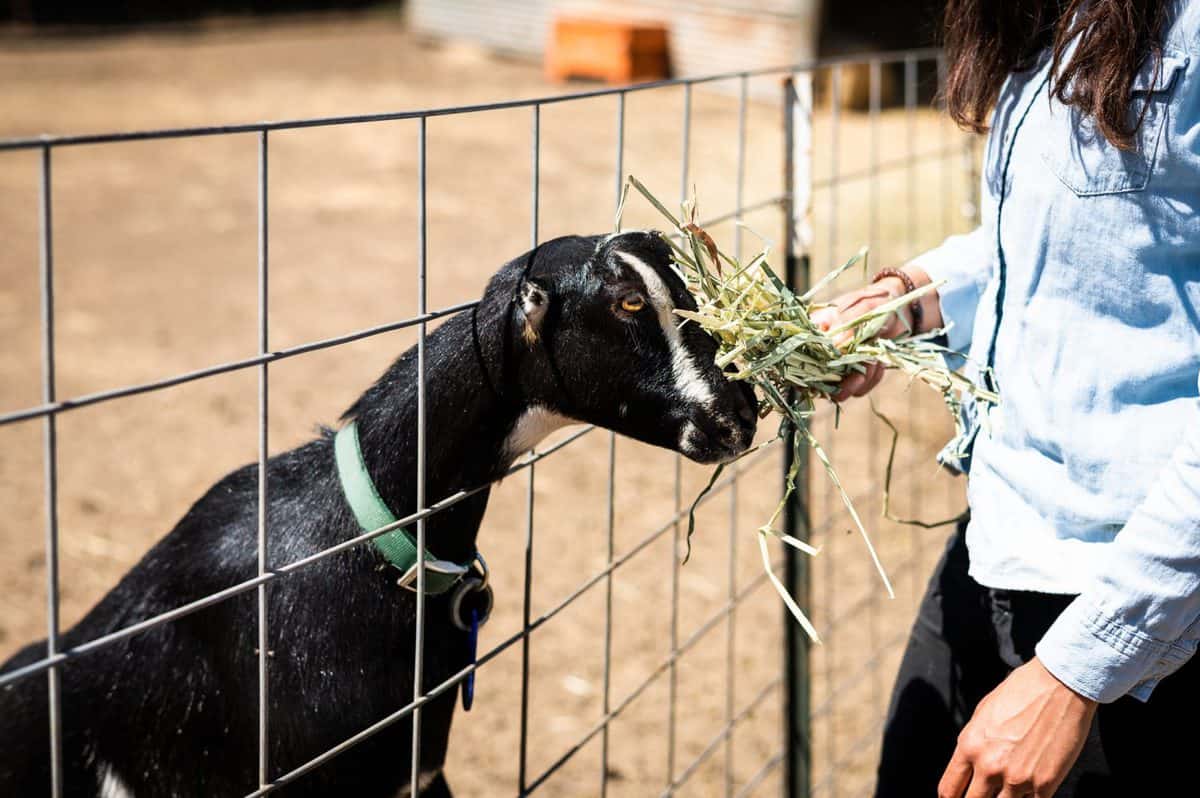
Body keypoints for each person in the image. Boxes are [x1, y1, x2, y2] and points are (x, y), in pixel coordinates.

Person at [810, 1, 1200, 796]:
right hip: (1000, 541)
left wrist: (1075, 674)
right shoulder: (1053, 16)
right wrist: (909, 299)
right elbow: (1035, 247)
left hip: (1142, 613)